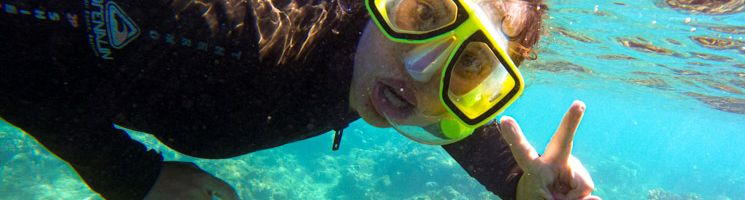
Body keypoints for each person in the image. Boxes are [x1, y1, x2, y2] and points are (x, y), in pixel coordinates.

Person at [0, 0, 599, 199]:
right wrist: (130, 175)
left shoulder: (416, 86)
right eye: (425, 13)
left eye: (471, 62)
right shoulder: (234, 29)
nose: (422, 73)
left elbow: (476, 140)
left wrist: (530, 188)